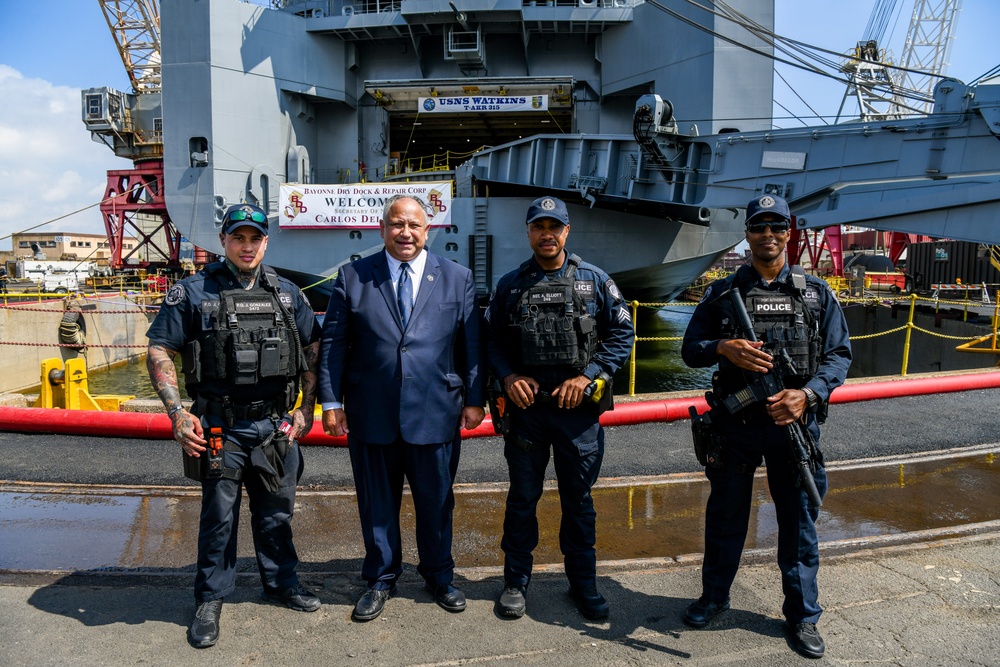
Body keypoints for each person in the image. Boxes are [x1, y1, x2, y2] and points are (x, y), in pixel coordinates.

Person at [680, 194, 852, 659]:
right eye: (759, 226)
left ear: (789, 232)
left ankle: (802, 616)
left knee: (798, 523)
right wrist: (724, 347)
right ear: (748, 233)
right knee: (725, 517)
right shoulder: (720, 292)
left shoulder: (815, 293)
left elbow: (839, 356)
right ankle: (714, 597)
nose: (768, 235)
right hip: (736, 423)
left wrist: (807, 394)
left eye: (777, 226)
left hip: (792, 424)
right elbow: (690, 349)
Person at [146, 203, 322, 649]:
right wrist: (177, 413)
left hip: (275, 427)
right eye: (238, 237)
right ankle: (210, 598)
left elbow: (313, 353)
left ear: (266, 242)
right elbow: (159, 351)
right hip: (219, 427)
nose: (247, 246)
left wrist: (307, 409)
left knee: (277, 513)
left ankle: (282, 583)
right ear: (223, 240)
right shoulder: (191, 292)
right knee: (218, 518)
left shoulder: (289, 295)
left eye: (255, 238)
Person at [318, 194, 485, 622]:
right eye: (396, 224)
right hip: (371, 410)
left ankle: (440, 575)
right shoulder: (354, 276)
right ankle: (380, 577)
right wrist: (331, 402)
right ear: (382, 229)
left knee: (437, 501)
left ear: (428, 230)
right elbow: (334, 344)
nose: (405, 232)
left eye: (414, 225)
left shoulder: (457, 277)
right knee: (376, 503)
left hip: (435, 410)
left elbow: (472, 345)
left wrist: (475, 398)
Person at [484, 195, 635, 620]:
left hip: (577, 413)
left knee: (579, 501)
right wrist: (509, 378)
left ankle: (583, 584)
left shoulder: (594, 281)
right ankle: (515, 581)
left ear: (566, 232)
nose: (546, 234)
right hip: (528, 411)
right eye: (538, 227)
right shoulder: (511, 285)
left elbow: (623, 335)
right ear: (529, 232)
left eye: (555, 227)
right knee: (522, 500)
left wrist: (589, 377)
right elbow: (492, 340)